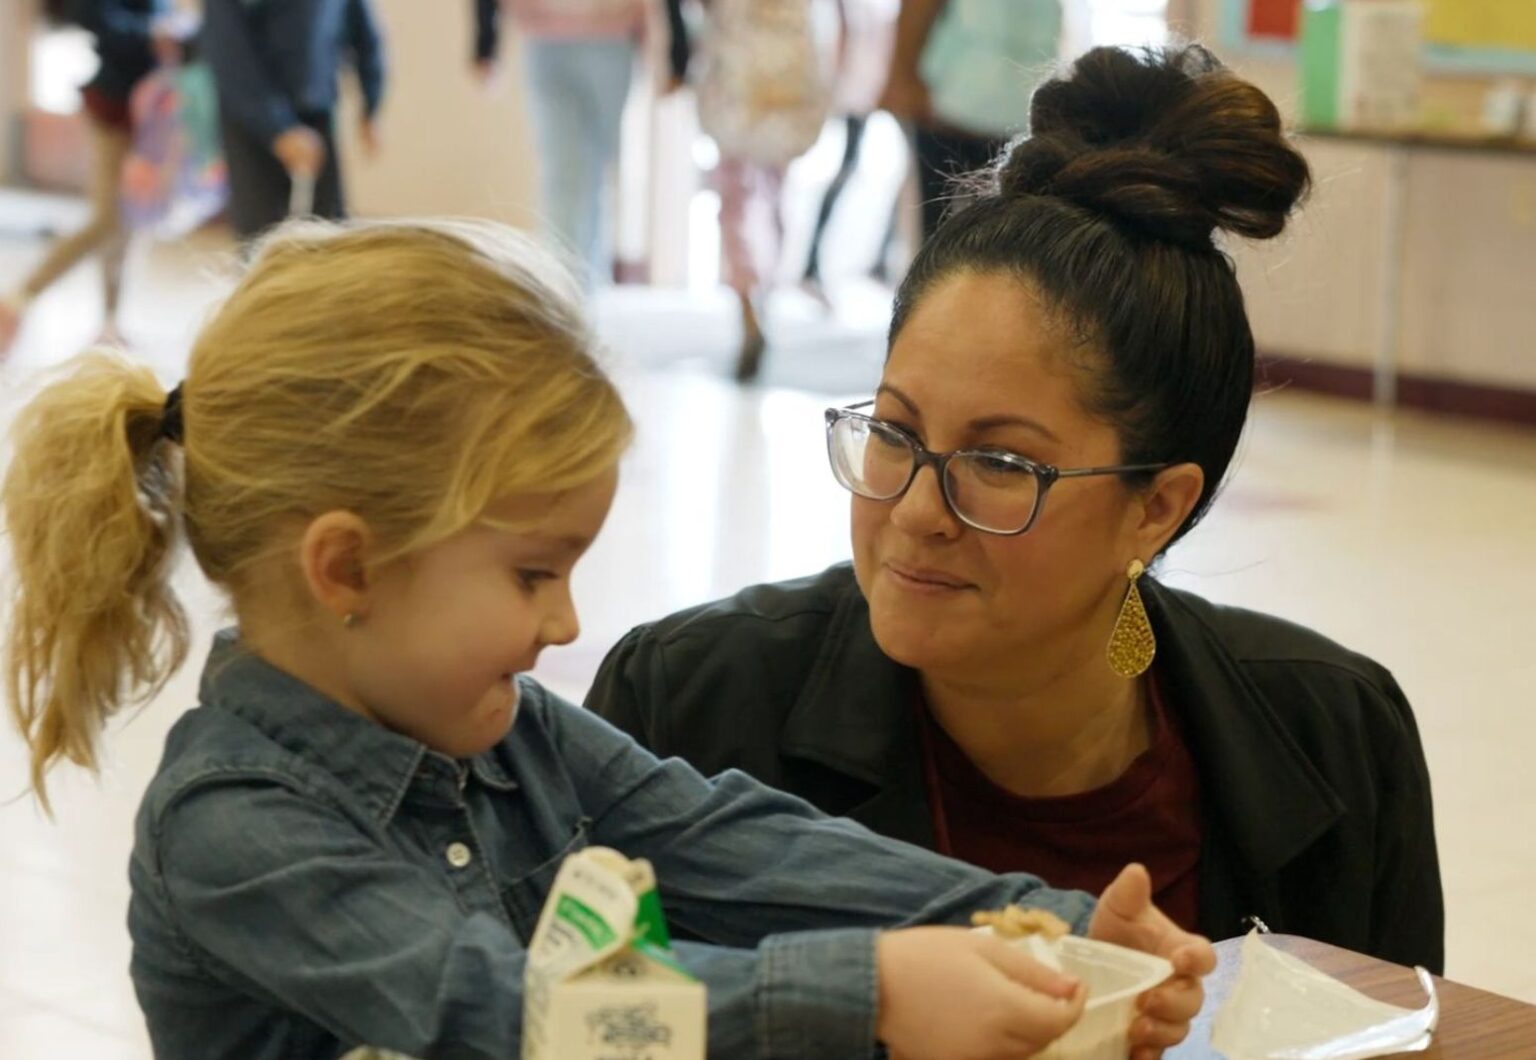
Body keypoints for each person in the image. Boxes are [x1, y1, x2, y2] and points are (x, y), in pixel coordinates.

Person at [1, 218, 1212, 1058]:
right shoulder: (234, 831)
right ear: (349, 566)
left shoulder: (507, 736)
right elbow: (510, 1016)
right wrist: (876, 992)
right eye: (533, 572)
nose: (566, 623)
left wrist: (1036, 922)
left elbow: (733, 841)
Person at [587, 45, 1446, 972]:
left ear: (1155, 508)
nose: (917, 510)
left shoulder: (1332, 734)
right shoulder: (689, 710)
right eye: (897, 433)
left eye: (999, 462)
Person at [0, 0, 189, 356]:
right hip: (114, 105)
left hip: (150, 108)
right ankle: (17, 297)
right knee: (108, 219)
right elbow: (92, 16)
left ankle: (110, 322)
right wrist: (150, 34)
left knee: (130, 220)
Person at [472, 0, 647, 291]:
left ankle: (581, 290)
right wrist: (486, 40)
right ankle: (562, 290)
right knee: (563, 176)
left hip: (611, 35)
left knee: (591, 175)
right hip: (546, 37)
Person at [200, 0, 386, 240]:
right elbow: (229, 50)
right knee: (260, 236)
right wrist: (278, 129)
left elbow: (363, 31)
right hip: (251, 117)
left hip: (317, 109)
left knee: (328, 231)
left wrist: (371, 103)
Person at [880, 0, 1062, 239]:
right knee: (935, 232)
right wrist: (901, 78)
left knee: (991, 240)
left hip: (1017, 116)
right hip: (949, 109)